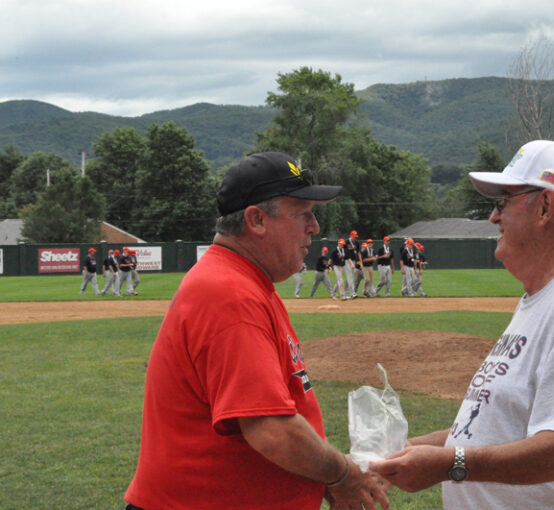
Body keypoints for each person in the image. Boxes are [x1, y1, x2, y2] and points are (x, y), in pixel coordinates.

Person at [370, 140, 554, 509]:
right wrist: (412, 451)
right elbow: (499, 426)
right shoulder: (545, 296)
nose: (493, 218)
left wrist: (450, 464)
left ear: (545, 206)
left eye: (502, 203)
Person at [124, 151, 388, 510]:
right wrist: (341, 474)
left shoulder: (244, 283)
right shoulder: (229, 293)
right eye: (303, 214)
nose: (314, 227)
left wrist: (321, 471)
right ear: (256, 219)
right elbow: (272, 432)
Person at [346, 230, 363, 297]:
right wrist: (350, 263)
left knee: (349, 277)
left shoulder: (356, 242)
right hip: (347, 261)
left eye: (355, 236)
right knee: (350, 277)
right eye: (354, 236)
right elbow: (345, 253)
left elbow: (359, 253)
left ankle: (345, 292)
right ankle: (353, 293)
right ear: (351, 235)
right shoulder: (347, 242)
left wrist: (361, 262)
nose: (355, 237)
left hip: (353, 261)